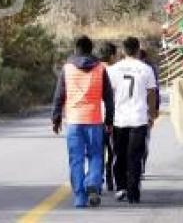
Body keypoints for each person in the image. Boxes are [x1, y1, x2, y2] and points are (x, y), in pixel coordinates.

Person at [52, 35, 115, 209]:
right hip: (94, 120)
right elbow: (109, 98)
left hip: (74, 122)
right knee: (96, 155)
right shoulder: (100, 69)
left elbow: (59, 96)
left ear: (76, 49)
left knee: (76, 159)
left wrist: (55, 118)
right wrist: (109, 120)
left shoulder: (67, 69)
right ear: (90, 49)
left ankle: (80, 197)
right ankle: (93, 183)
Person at [107, 36, 158, 203]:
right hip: (138, 118)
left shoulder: (113, 69)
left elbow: (109, 95)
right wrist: (151, 114)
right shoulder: (145, 69)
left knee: (119, 155)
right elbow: (151, 93)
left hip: (119, 118)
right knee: (135, 156)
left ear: (123, 50)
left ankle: (121, 187)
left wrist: (108, 115)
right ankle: (133, 192)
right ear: (138, 50)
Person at [97, 41, 119, 192]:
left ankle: (97, 180)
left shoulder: (93, 70)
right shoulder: (116, 71)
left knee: (97, 151)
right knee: (112, 151)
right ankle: (111, 179)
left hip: (95, 116)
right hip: (112, 116)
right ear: (112, 56)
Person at [138, 47, 160, 174]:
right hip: (144, 111)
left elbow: (155, 90)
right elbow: (155, 91)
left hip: (142, 111)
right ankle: (140, 166)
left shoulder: (149, 69)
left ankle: (140, 166)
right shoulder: (150, 69)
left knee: (143, 140)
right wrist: (155, 109)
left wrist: (155, 109)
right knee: (144, 140)